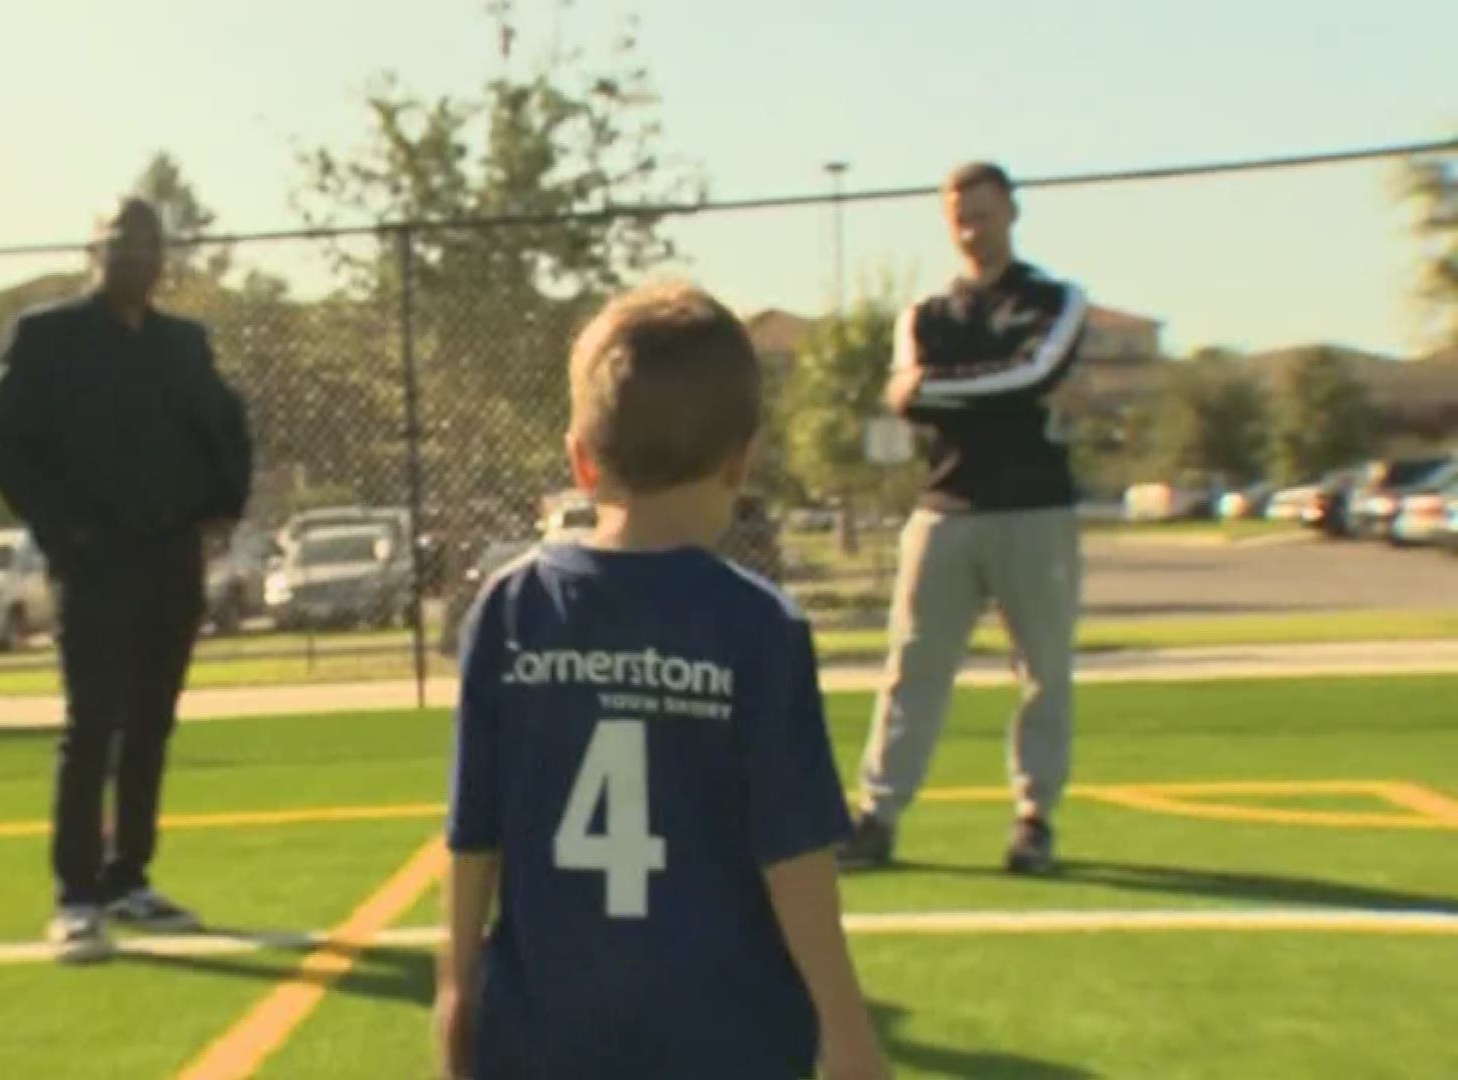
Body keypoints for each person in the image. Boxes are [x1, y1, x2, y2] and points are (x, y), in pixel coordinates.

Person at [434, 281, 887, 1080]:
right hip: (726, 1038)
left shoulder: (511, 610)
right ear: (740, 461)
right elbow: (794, 857)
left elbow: (474, 839)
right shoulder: (759, 626)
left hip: (542, 1037)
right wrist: (847, 1031)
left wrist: (455, 993)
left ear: (580, 461)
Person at [0, 196, 252, 962]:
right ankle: (78, 894)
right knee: (92, 724)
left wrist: (219, 510)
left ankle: (130, 877)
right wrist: (68, 529)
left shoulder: (183, 345)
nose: (136, 257)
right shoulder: (47, 337)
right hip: (93, 565)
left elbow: (228, 428)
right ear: (93, 251)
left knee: (152, 723)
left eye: (149, 245)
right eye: (119, 244)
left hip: (170, 562)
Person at [840, 161, 1089, 875]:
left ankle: (1034, 820)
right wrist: (987, 389)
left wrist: (946, 389)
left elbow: (1036, 372)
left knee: (1043, 670)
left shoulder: (1055, 299)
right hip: (945, 512)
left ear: (1012, 211)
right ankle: (877, 817)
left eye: (984, 212)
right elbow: (904, 396)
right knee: (912, 667)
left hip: (1036, 512)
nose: (973, 228)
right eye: (960, 216)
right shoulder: (925, 314)